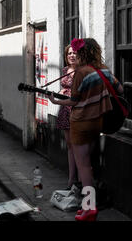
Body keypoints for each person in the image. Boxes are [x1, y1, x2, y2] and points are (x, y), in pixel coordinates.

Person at [48, 38, 123, 221]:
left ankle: (89, 207)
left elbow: (74, 101)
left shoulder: (82, 72)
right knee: (88, 163)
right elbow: (119, 89)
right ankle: (87, 206)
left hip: (81, 123)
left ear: (82, 53)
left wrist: (56, 101)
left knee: (84, 167)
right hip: (98, 122)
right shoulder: (103, 70)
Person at [56, 45, 79, 190]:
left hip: (77, 110)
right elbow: (63, 89)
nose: (71, 55)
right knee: (70, 146)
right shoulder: (65, 70)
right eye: (69, 53)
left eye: (74, 52)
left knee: (78, 147)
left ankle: (80, 180)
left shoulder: (82, 71)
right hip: (65, 110)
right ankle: (71, 178)